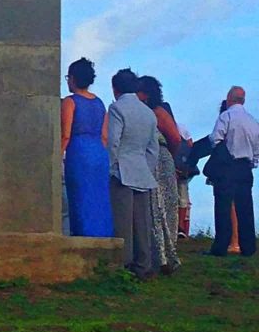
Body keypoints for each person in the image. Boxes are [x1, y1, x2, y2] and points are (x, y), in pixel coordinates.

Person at [188, 86, 259, 257]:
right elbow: (257, 150)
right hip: (245, 168)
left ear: (229, 99)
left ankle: (220, 247)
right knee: (245, 208)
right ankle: (248, 247)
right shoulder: (253, 121)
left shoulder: (226, 116)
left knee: (223, 207)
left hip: (228, 166)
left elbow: (215, 139)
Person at [107, 69, 159, 279]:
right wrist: (145, 167)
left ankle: (124, 264)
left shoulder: (117, 108)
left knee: (123, 222)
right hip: (142, 170)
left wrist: (113, 166)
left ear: (115, 88)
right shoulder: (148, 112)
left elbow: (113, 141)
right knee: (142, 223)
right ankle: (143, 264)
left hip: (122, 169)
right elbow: (153, 148)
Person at [60, 57, 113, 237]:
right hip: (98, 152)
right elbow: (104, 135)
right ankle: (102, 234)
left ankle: (82, 235)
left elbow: (66, 133)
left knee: (79, 197)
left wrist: (58, 155)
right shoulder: (99, 103)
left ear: (73, 78)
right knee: (98, 198)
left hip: (79, 152)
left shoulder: (70, 102)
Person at [137, 76, 181, 274]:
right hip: (148, 158)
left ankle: (168, 253)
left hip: (162, 158)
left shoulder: (158, 112)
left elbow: (175, 138)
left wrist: (167, 155)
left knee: (165, 207)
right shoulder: (142, 114)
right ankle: (158, 254)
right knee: (152, 207)